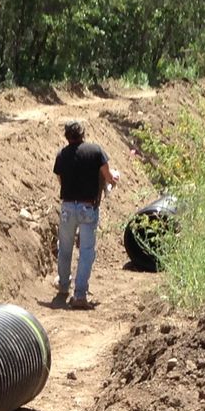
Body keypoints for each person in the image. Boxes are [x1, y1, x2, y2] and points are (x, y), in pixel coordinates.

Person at [51, 119, 113, 308]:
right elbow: (108, 176)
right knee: (86, 252)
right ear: (83, 134)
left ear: (66, 136)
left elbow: (61, 180)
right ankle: (79, 295)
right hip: (88, 208)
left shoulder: (61, 155)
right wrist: (112, 181)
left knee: (65, 248)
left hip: (68, 208)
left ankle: (63, 286)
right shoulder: (96, 151)